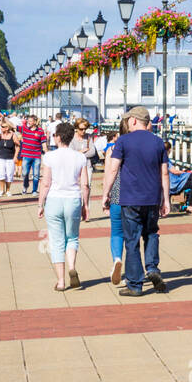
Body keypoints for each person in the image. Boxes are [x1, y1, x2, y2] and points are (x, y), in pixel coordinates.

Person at [102, 106, 169, 297]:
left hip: (130, 198)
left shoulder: (123, 141)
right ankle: (153, 268)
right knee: (151, 233)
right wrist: (166, 199)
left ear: (133, 121)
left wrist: (106, 193)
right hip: (152, 198)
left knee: (132, 241)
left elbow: (113, 170)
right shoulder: (158, 143)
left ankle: (135, 284)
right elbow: (164, 172)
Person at [38, 122, 91, 291]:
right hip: (73, 199)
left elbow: (45, 183)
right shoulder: (80, 157)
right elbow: (85, 184)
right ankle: (71, 267)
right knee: (73, 238)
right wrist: (86, 205)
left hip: (54, 199)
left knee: (56, 241)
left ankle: (61, 281)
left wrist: (41, 204)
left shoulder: (49, 157)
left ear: (58, 137)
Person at [104, 117, 131, 287]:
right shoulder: (139, 148)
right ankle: (132, 269)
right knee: (132, 234)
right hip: (136, 196)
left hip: (116, 194)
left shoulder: (113, 148)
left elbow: (109, 173)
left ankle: (117, 259)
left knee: (116, 232)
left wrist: (105, 195)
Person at [17, 115, 47, 195]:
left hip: (36, 156)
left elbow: (44, 143)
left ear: (34, 122)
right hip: (26, 155)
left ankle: (34, 190)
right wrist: (4, 119)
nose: (28, 122)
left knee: (36, 174)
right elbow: (13, 126)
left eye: (30, 121)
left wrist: (46, 153)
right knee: (25, 173)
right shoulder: (25, 129)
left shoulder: (40, 131)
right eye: (28, 121)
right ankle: (25, 186)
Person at [0, 121, 19, 197]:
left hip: (10, 158)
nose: (1, 128)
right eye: (1, 126)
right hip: (0, 157)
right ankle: (2, 190)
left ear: (7, 128)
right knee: (1, 174)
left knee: (9, 174)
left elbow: (18, 146)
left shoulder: (13, 135)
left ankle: (8, 190)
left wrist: (15, 156)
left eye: (3, 127)